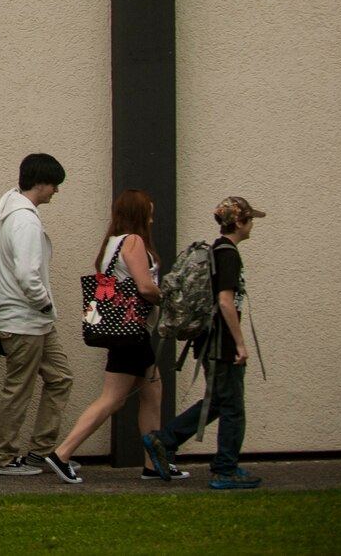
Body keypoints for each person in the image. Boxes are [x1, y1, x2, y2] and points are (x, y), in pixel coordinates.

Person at [48, 189, 183, 481]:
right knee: (112, 399)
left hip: (126, 333)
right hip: (132, 333)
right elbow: (145, 287)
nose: (152, 218)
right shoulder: (133, 242)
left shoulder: (112, 242)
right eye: (148, 211)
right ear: (137, 214)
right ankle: (62, 454)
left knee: (152, 392)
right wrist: (170, 300)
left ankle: (154, 462)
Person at [143, 196, 265, 491]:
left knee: (218, 401)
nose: (252, 226)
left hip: (211, 340)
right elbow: (225, 302)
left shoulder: (218, 251)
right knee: (232, 406)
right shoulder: (227, 253)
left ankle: (167, 439)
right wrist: (240, 344)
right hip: (221, 342)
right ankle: (225, 469)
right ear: (238, 222)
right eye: (250, 220)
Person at [0, 153, 74, 478]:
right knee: (19, 389)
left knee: (60, 378)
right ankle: (1, 457)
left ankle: (41, 452)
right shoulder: (24, 219)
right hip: (25, 319)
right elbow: (28, 274)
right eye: (54, 184)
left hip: (32, 319)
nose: (55, 191)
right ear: (41, 182)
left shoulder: (11, 213)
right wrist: (46, 304)